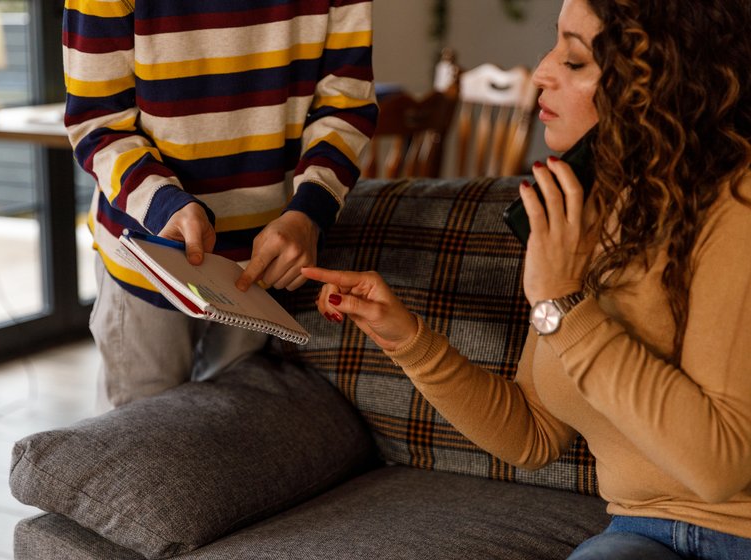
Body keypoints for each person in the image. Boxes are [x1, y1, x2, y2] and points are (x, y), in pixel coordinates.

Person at [303, 0, 751, 558]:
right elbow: (534, 433)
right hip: (642, 531)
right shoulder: (585, 208)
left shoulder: (736, 206)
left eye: (576, 60)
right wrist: (407, 340)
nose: (541, 71)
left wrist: (562, 303)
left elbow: (719, 467)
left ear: (659, 80)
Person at [62, 1, 377, 408]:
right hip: (149, 258)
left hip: (262, 265)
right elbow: (97, 122)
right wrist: (163, 204)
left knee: (232, 447)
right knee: (142, 453)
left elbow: (346, 105)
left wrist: (309, 211)